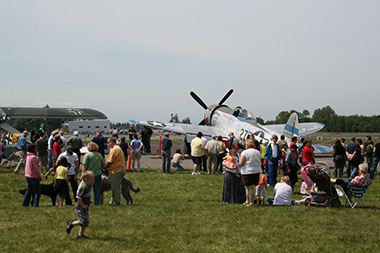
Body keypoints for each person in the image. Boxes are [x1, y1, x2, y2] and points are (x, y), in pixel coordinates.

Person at [66, 171, 95, 239]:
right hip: (80, 207)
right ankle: (71, 223)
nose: (94, 180)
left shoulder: (88, 185)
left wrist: (88, 200)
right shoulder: (83, 187)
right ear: (86, 179)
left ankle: (81, 234)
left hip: (85, 206)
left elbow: (85, 195)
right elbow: (78, 197)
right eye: (93, 179)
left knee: (86, 221)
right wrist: (82, 205)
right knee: (82, 221)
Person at [239, 139, 262, 206]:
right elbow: (260, 161)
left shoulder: (245, 152)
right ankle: (247, 200)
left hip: (247, 171)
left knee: (249, 187)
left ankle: (251, 202)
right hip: (256, 170)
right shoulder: (258, 152)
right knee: (249, 187)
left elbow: (241, 163)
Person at [104, 137, 126, 205]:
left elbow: (109, 161)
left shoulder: (114, 150)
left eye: (108, 142)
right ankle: (113, 201)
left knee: (115, 187)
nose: (107, 144)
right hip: (120, 169)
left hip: (116, 170)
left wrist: (104, 168)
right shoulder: (118, 148)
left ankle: (116, 202)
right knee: (116, 186)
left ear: (112, 142)